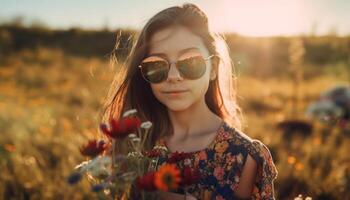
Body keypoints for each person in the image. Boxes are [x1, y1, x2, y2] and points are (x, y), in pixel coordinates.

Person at [102, 3, 278, 200]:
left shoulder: (245, 157)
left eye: (191, 62)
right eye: (156, 65)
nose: (173, 76)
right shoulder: (136, 146)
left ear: (213, 68)